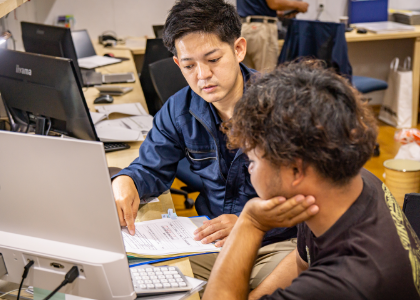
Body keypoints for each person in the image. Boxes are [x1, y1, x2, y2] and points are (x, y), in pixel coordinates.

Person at [111, 0, 317, 287]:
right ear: (177, 64)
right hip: (211, 238)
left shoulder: (283, 108)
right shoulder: (179, 109)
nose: (202, 75)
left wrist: (251, 224)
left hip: (276, 242)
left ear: (239, 49)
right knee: (139, 278)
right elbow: (150, 167)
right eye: (189, 65)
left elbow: (313, 198)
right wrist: (126, 180)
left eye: (213, 59)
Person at [203, 60, 420, 300]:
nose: (249, 170)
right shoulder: (347, 184)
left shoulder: (343, 282)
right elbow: (302, 262)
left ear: (295, 171)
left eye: (253, 161)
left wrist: (251, 222)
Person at [237, 0, 309, 72]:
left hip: (244, 27)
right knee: (265, 75)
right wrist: (298, 5)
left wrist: (281, 12)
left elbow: (259, 6)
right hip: (262, 29)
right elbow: (274, 3)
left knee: (247, 75)